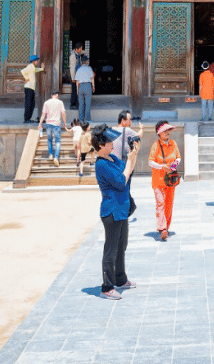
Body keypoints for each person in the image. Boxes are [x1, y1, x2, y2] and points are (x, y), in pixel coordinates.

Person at [92, 124, 140, 299]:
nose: (113, 144)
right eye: (109, 142)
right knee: (110, 250)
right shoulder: (101, 164)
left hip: (121, 209)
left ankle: (120, 279)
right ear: (101, 145)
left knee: (122, 246)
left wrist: (132, 156)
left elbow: (128, 171)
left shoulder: (112, 158)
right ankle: (107, 287)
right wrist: (129, 162)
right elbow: (121, 181)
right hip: (111, 211)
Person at [149, 121, 181, 241]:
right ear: (160, 133)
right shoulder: (155, 145)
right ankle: (162, 228)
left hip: (170, 180)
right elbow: (150, 162)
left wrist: (175, 164)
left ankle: (165, 227)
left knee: (169, 204)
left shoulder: (173, 143)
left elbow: (178, 157)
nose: (168, 133)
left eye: (169, 131)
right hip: (158, 180)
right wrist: (162, 166)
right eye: (165, 131)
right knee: (160, 203)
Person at [112, 110, 143, 216]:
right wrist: (141, 129)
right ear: (123, 120)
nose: (130, 121)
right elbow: (139, 136)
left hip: (114, 165)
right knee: (125, 187)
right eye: (129, 119)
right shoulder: (128, 130)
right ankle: (128, 207)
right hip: (126, 165)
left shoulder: (111, 130)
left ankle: (123, 209)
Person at [38, 91, 66, 166]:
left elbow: (43, 114)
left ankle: (50, 154)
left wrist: (40, 124)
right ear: (57, 95)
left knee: (49, 140)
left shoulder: (46, 103)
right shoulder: (60, 102)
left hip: (48, 124)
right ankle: (56, 157)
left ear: (51, 95)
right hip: (56, 124)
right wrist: (65, 123)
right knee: (57, 141)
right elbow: (63, 114)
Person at [21, 54, 44, 123]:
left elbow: (36, 70)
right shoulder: (30, 66)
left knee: (32, 103)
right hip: (29, 88)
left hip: (31, 88)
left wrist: (42, 69)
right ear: (34, 61)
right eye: (36, 60)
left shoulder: (32, 67)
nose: (37, 62)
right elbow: (22, 71)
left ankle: (28, 118)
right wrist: (26, 78)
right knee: (29, 104)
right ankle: (26, 119)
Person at [74, 57, 95, 122]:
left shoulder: (79, 69)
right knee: (88, 103)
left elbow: (77, 81)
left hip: (80, 86)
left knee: (81, 104)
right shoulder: (89, 68)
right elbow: (92, 78)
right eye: (87, 61)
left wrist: (77, 90)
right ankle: (87, 119)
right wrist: (93, 86)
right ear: (86, 62)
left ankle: (81, 120)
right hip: (87, 86)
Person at [69, 42, 84, 108]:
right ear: (77, 49)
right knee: (74, 90)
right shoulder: (73, 56)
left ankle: (77, 103)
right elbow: (72, 67)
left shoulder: (77, 54)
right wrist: (73, 77)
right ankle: (73, 104)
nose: (81, 49)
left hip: (79, 76)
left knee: (78, 90)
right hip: (75, 76)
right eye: (80, 48)